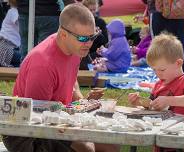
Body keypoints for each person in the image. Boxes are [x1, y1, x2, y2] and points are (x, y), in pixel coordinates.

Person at [2, 4, 119, 152]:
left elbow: (72, 81)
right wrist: (75, 127)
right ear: (63, 34)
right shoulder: (43, 64)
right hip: (26, 133)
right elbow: (38, 117)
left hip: (58, 119)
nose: (89, 44)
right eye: (83, 38)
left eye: (93, 36)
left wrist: (82, 103)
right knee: (87, 148)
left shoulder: (75, 48)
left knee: (111, 145)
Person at [128, 33, 184, 151]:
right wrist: (139, 102)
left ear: (178, 63)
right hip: (160, 141)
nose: (158, 74)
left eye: (162, 69)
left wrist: (169, 100)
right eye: (154, 70)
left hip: (180, 142)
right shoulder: (159, 85)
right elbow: (152, 107)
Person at [80, 0, 108, 70]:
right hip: (83, 53)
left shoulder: (100, 22)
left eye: (94, 9)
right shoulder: (80, 22)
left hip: (96, 53)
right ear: (85, 10)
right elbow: (79, 39)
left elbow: (105, 41)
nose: (93, 12)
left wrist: (98, 34)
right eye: (90, 10)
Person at [0, 0, 21, 67]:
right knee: (25, 58)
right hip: (6, 49)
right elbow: (19, 20)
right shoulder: (13, 11)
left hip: (6, 48)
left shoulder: (11, 11)